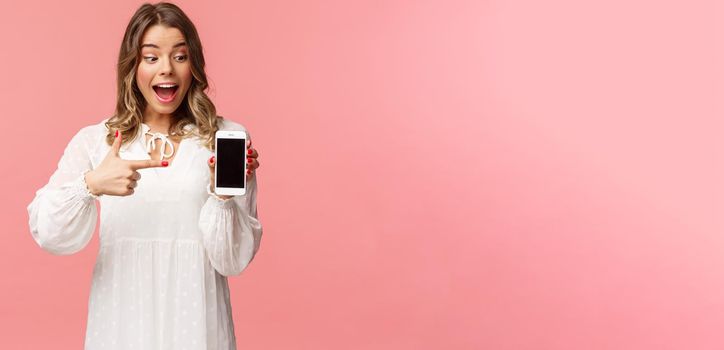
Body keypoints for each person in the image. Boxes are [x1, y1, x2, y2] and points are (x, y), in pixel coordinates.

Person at [25, 2, 263, 349]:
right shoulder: (98, 141)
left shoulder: (222, 139)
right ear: (132, 67)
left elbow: (232, 260)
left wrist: (221, 196)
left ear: (193, 63)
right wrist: (90, 185)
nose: (166, 69)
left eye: (179, 56)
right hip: (122, 321)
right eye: (151, 57)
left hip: (195, 323)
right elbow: (48, 233)